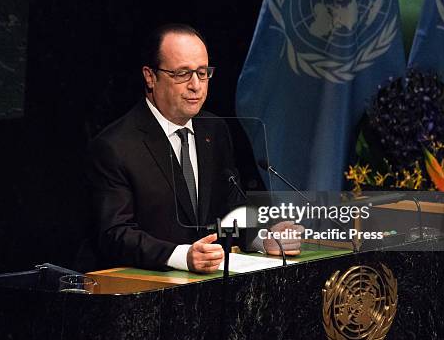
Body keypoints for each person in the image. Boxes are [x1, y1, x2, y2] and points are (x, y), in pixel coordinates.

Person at [81, 24, 300, 273]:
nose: (196, 85)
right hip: (142, 291)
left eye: (203, 72)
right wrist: (182, 256)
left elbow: (231, 206)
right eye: (182, 74)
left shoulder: (215, 130)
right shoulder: (115, 146)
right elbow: (114, 234)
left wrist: (263, 237)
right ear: (150, 76)